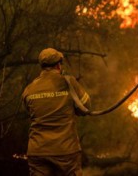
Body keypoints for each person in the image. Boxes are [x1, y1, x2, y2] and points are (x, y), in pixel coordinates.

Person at [22, 48, 91, 176]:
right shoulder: (69, 82)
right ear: (59, 64)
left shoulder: (29, 89)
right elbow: (86, 106)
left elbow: (29, 112)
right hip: (66, 151)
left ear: (41, 66)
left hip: (38, 151)